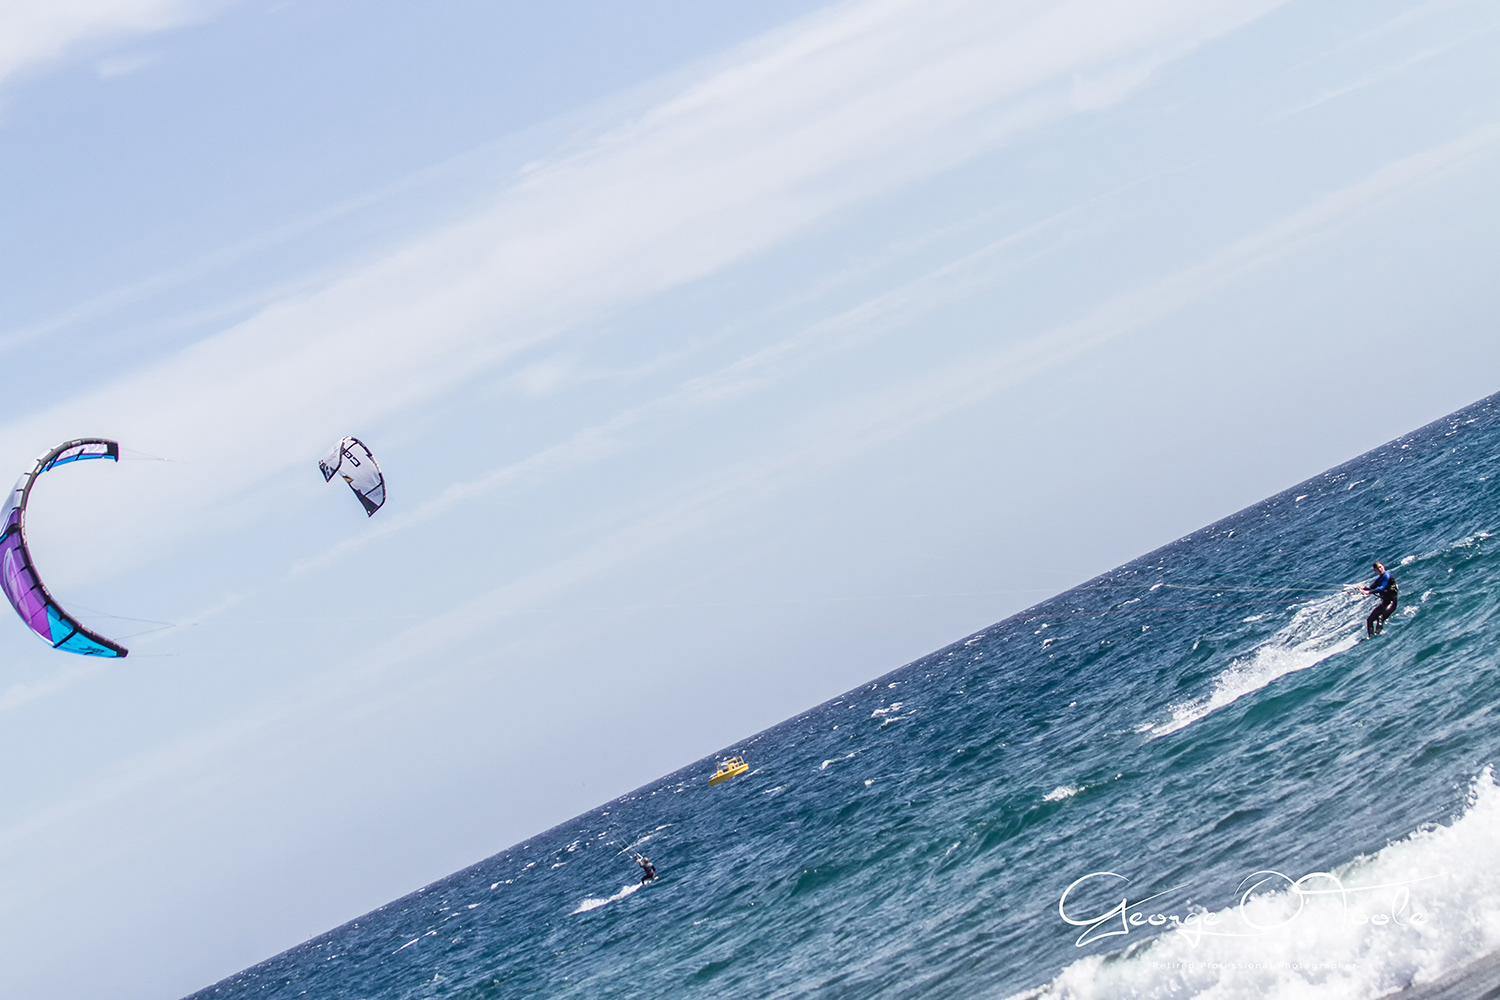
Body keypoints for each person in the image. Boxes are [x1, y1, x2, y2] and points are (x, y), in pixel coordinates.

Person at [1361, 561, 1398, 637]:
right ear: (1375, 571)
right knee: (1369, 620)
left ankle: (1376, 635)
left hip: (1391, 603)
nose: (1380, 569)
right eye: (1378, 569)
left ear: (1383, 566)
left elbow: (1382, 588)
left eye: (1380, 567)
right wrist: (1363, 588)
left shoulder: (1387, 576)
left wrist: (1368, 592)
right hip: (1384, 603)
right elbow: (1371, 588)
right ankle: (1370, 637)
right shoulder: (1379, 579)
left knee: (1380, 617)